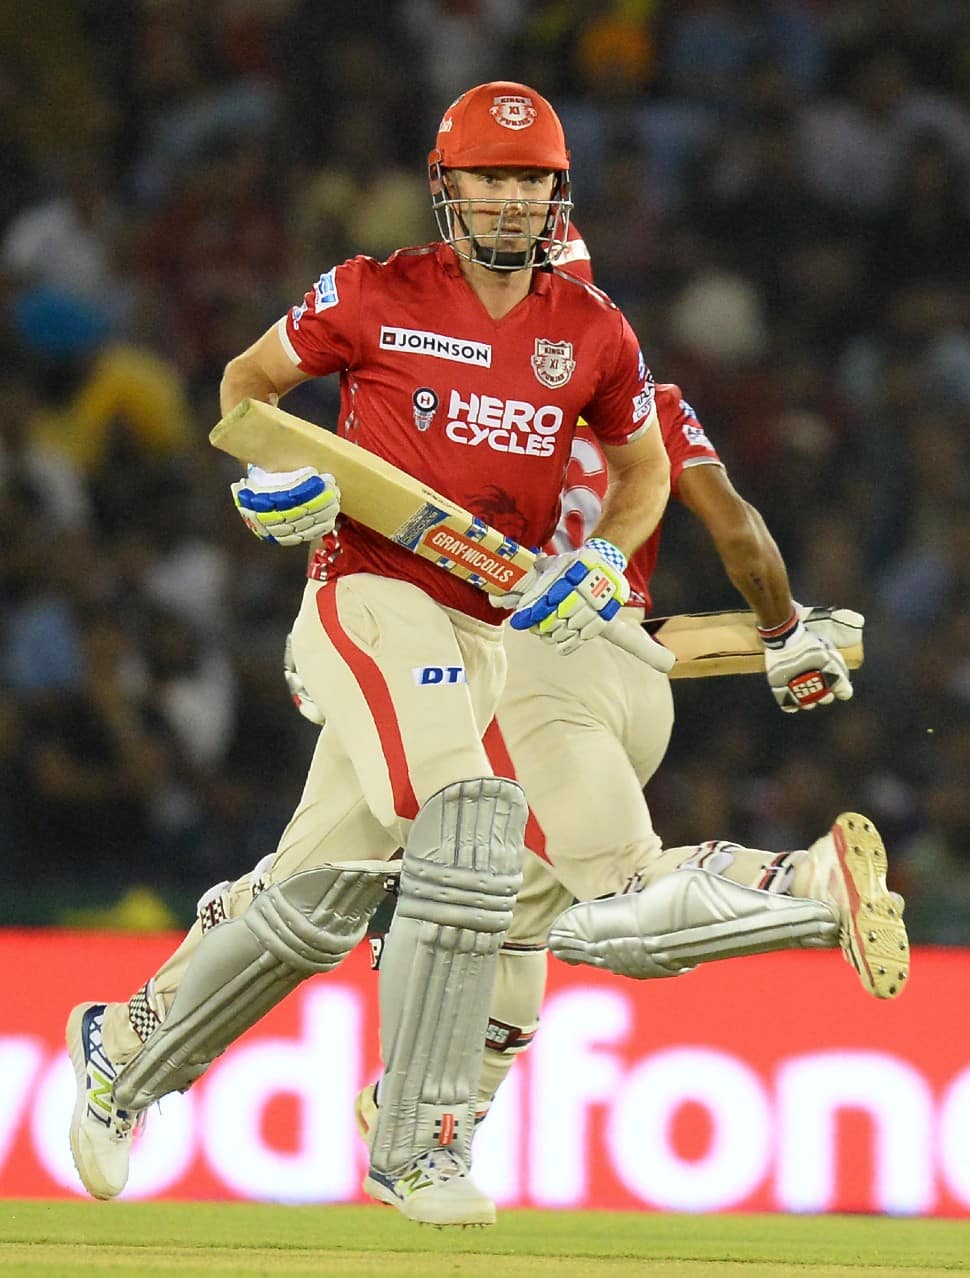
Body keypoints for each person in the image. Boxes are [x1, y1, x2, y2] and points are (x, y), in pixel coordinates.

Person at [65, 81, 672, 1227]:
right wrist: (271, 482)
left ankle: (123, 1052)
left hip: (485, 633)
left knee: (313, 908)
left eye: (530, 178)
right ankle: (418, 1136)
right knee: (469, 816)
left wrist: (603, 560)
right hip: (366, 596)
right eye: (489, 178)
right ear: (448, 187)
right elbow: (246, 393)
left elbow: (641, 474)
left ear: (558, 192)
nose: (510, 199)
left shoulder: (592, 329)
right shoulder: (370, 291)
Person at [346, 245, 908, 1139]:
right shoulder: (653, 408)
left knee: (613, 897)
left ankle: (805, 881)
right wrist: (781, 632)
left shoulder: (473, 397)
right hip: (634, 674)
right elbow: (742, 533)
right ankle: (426, 1120)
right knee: (518, 916)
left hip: (526, 667)